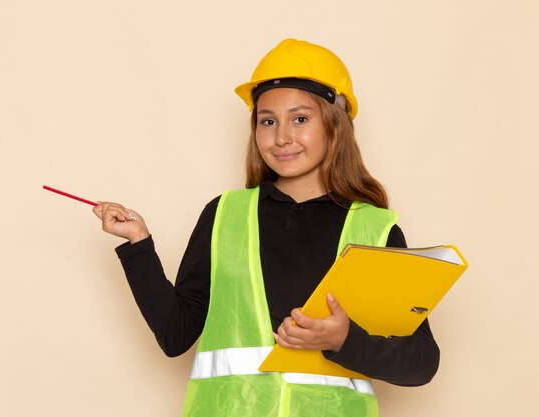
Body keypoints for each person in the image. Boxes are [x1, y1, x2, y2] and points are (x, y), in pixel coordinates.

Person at [93, 39, 439, 417]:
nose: (281, 137)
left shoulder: (374, 229)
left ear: (335, 125)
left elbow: (421, 363)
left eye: (301, 119)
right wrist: (138, 245)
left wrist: (345, 339)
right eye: (267, 121)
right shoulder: (224, 215)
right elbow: (175, 335)